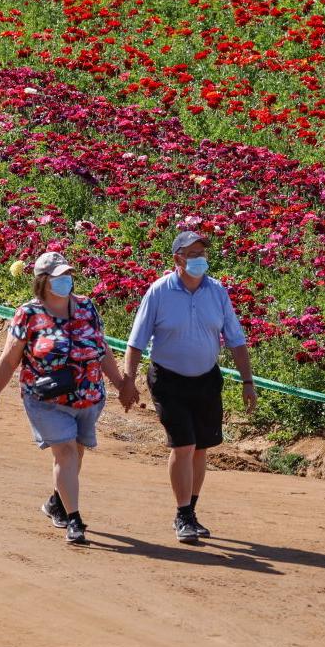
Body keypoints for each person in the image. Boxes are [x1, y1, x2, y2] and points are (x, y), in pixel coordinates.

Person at [0, 251, 127, 547]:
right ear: (43, 281)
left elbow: (102, 350)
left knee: (77, 451)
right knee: (65, 451)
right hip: (45, 399)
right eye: (59, 277)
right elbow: (10, 359)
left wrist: (123, 384)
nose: (66, 281)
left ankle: (57, 502)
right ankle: (75, 521)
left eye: (68, 275)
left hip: (87, 396)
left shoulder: (87, 307)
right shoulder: (29, 314)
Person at [121, 231, 256, 544]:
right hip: (168, 379)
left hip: (207, 378)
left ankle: (190, 511)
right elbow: (136, 341)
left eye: (202, 252)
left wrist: (248, 382)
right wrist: (128, 379)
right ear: (177, 259)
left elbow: (235, 340)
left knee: (200, 447)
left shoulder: (217, 292)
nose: (199, 258)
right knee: (183, 445)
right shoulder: (158, 292)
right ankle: (182, 514)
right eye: (192, 253)